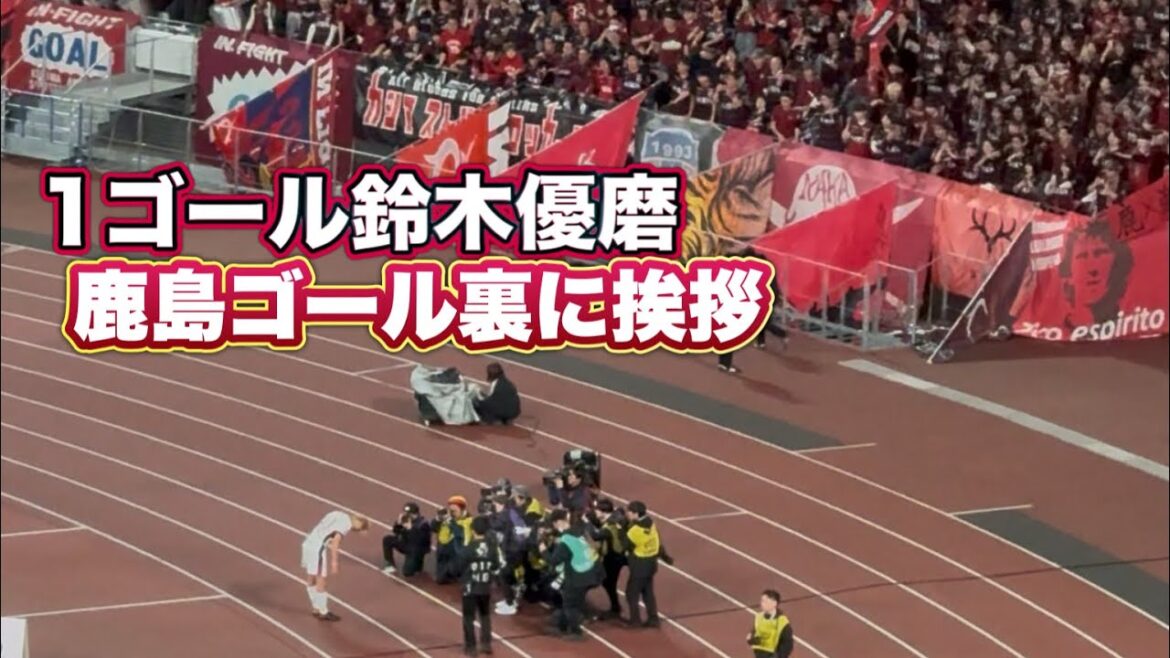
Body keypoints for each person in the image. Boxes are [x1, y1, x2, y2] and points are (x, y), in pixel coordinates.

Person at [541, 509, 601, 641]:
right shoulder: (578, 530)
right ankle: (561, 625)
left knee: (570, 605)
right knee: (570, 601)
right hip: (593, 570)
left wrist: (543, 550)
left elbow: (554, 560)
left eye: (554, 524)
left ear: (558, 522)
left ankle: (576, 632)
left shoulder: (566, 541)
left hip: (579, 576)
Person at [301, 510, 369, 621]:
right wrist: (334, 562)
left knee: (311, 578)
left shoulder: (337, 513)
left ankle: (316, 607)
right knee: (321, 580)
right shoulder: (346, 524)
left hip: (308, 542)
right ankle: (323, 611)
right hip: (317, 548)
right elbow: (335, 543)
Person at [622, 501, 673, 628]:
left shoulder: (634, 530)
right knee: (648, 592)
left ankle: (635, 621)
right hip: (651, 564)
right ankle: (653, 618)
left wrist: (622, 530)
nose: (627, 514)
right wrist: (665, 557)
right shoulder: (651, 523)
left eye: (629, 511)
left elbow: (623, 546)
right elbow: (657, 542)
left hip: (639, 565)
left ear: (635, 513)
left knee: (631, 593)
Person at [456, 516, 501, 656]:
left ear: (473, 530)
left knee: (469, 617)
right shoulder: (492, 547)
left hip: (470, 587)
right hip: (485, 587)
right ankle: (486, 644)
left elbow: (458, 568)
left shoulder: (468, 548)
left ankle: (471, 647)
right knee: (485, 615)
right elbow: (496, 565)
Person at [382, 502, 431, 577]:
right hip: (406, 544)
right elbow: (396, 532)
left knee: (407, 573)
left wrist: (410, 529)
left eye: (408, 513)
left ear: (414, 514)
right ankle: (390, 564)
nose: (405, 515)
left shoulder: (423, 524)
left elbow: (418, 541)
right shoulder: (405, 520)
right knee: (387, 539)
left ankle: (417, 564)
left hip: (417, 549)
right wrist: (398, 524)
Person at [434, 495, 474, 584]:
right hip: (444, 551)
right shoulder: (449, 518)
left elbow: (462, 536)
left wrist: (451, 523)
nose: (452, 513)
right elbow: (433, 528)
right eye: (450, 510)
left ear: (463, 510)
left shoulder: (469, 522)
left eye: (454, 511)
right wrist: (437, 519)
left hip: (458, 554)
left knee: (453, 573)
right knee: (440, 580)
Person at [747, 589, 795, 658]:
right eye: (762, 601)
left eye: (765, 601)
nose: (762, 604)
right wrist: (751, 639)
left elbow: (788, 644)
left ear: (774, 603)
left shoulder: (782, 622)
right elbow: (754, 635)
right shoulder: (758, 617)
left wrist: (778, 656)